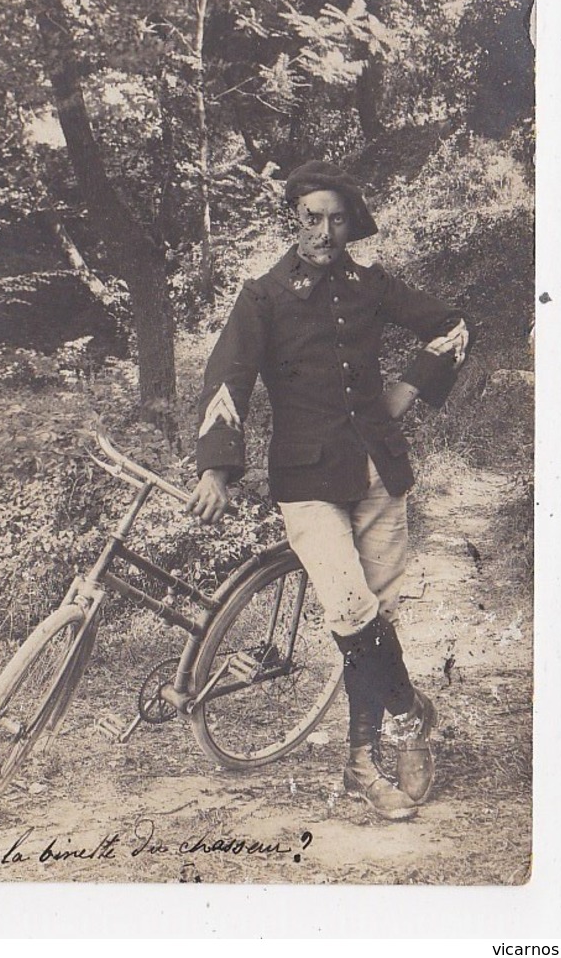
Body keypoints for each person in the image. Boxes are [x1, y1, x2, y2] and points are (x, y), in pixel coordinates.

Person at [187, 160, 471, 821]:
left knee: (372, 616)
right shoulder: (263, 295)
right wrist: (215, 468)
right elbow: (227, 376)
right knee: (352, 611)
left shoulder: (370, 285)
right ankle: (401, 721)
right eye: (311, 217)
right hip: (307, 476)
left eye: (336, 218)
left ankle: (362, 760)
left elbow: (451, 326)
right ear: (294, 219)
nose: (323, 230)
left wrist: (404, 392)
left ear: (351, 224)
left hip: (378, 470)